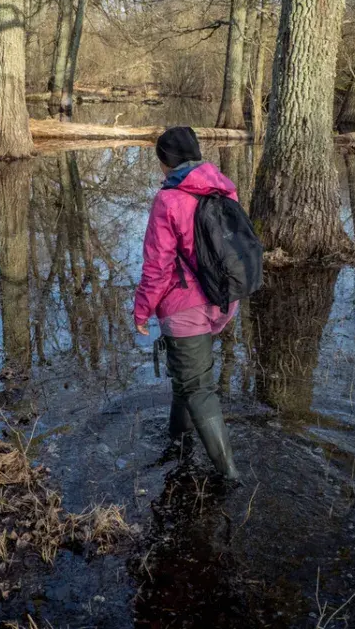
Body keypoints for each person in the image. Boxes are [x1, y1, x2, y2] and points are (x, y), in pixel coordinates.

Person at [134, 126, 240, 481]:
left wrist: (142, 310)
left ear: (165, 161)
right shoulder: (222, 187)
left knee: (197, 388)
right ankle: (177, 444)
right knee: (186, 377)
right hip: (223, 299)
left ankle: (229, 475)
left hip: (186, 308)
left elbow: (158, 266)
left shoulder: (168, 200)